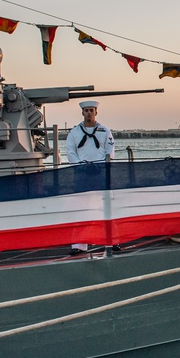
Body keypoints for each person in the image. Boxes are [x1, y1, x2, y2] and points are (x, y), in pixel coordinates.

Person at [64, 100, 115, 255]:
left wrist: (100, 165)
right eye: (86, 110)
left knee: (107, 208)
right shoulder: (74, 133)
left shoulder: (105, 131)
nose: (89, 113)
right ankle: (79, 244)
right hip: (82, 174)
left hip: (100, 172)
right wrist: (81, 166)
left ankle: (112, 241)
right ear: (82, 112)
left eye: (91, 110)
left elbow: (110, 149)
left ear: (96, 112)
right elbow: (70, 152)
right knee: (81, 209)